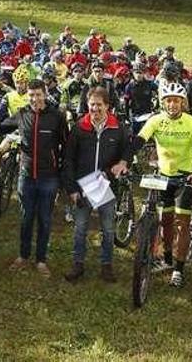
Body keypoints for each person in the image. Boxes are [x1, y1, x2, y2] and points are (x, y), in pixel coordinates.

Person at [132, 82, 192, 287]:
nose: (173, 104)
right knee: (165, 220)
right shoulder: (156, 120)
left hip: (185, 178)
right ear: (163, 103)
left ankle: (179, 269)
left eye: (176, 101)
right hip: (163, 176)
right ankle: (166, 258)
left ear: (183, 103)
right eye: (169, 101)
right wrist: (125, 157)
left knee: (182, 224)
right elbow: (139, 140)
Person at [63, 87, 131, 283]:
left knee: (108, 229)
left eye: (99, 105)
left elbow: (127, 149)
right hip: (82, 186)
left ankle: (106, 265)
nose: (95, 108)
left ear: (107, 106)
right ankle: (78, 263)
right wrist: (72, 189)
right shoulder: (79, 127)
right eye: (92, 104)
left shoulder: (117, 128)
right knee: (80, 228)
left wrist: (123, 162)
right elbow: (68, 159)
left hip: (105, 185)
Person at [8, 79, 68, 278]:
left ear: (45, 94)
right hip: (26, 175)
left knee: (44, 218)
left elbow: (65, 145)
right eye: (31, 95)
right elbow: (1, 125)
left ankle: (41, 259)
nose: (34, 99)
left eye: (38, 94)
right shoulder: (22, 113)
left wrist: (61, 171)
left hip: (48, 176)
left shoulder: (57, 116)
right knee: (26, 218)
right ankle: (23, 255)